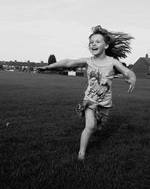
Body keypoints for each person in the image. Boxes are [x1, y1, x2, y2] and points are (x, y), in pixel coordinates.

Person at [36, 25, 136, 160]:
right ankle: (81, 153)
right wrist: (49, 66)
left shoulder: (113, 62)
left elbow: (127, 71)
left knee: (97, 127)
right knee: (90, 126)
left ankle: (95, 127)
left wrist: (132, 78)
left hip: (105, 104)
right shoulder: (88, 61)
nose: (93, 44)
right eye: (91, 42)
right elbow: (68, 62)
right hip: (89, 100)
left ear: (106, 45)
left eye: (97, 41)